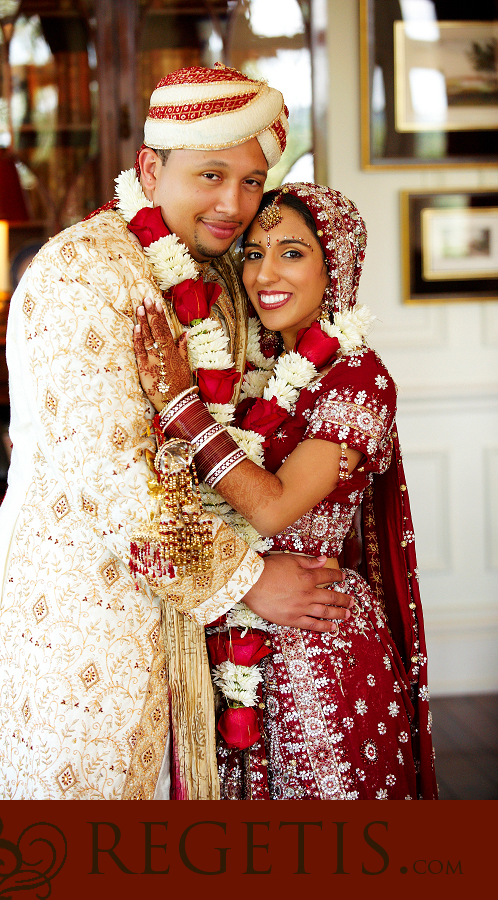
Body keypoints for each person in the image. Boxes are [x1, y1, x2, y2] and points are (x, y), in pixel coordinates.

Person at [0, 67, 353, 801]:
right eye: (212, 174)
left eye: (251, 180)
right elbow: (119, 489)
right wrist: (252, 581)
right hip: (86, 614)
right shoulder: (83, 275)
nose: (235, 204)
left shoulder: (221, 278)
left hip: (198, 638)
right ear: (150, 168)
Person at [134, 183, 438, 800]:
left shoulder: (359, 378)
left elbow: (272, 506)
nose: (264, 273)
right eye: (252, 253)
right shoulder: (249, 366)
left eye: (292, 253)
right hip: (233, 631)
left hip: (318, 650)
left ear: (338, 267)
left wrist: (182, 409)